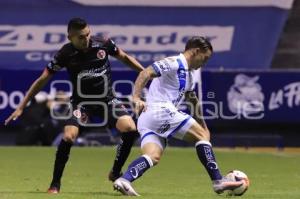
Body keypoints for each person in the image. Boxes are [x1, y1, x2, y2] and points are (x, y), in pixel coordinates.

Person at [4, 17, 144, 193]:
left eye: (87, 34)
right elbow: (41, 80)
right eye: (80, 37)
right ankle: (55, 184)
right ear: (70, 37)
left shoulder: (103, 43)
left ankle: (115, 172)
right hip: (81, 102)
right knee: (69, 136)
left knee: (130, 128)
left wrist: (145, 73)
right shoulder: (65, 53)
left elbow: (125, 57)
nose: (86, 39)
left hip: (107, 99)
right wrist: (21, 107)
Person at [113, 36, 243, 196]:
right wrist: (136, 97)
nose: (205, 62)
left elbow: (192, 100)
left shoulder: (188, 75)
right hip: (160, 110)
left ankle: (124, 180)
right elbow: (146, 72)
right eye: (205, 58)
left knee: (153, 156)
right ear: (196, 51)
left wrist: (203, 126)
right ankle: (218, 181)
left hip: (147, 119)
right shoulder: (175, 62)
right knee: (201, 136)